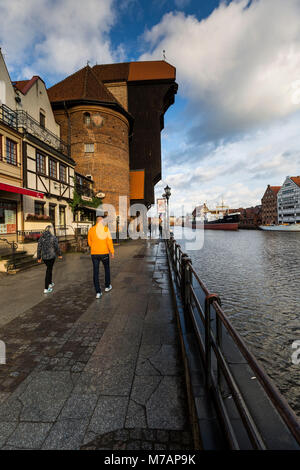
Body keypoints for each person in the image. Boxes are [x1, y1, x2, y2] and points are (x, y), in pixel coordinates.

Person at [88, 213, 114, 299]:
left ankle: (98, 292)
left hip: (94, 254)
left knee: (96, 272)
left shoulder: (91, 230)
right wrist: (112, 252)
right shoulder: (106, 229)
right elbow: (109, 242)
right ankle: (107, 286)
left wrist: (94, 247)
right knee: (106, 269)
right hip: (104, 253)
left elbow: (89, 242)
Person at [37, 225, 62, 294]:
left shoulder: (41, 238)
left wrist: (39, 257)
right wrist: (59, 254)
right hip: (51, 257)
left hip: (44, 257)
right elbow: (57, 247)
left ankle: (50, 283)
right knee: (48, 270)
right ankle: (46, 288)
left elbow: (39, 248)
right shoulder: (53, 237)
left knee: (49, 268)